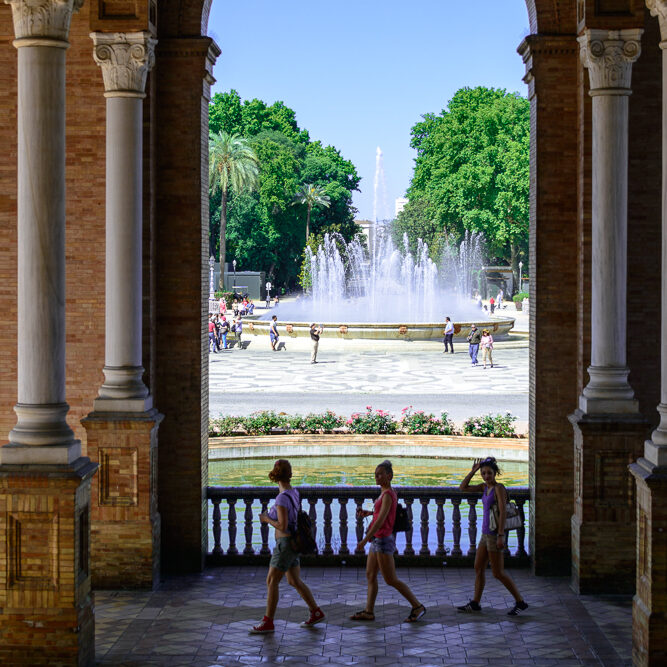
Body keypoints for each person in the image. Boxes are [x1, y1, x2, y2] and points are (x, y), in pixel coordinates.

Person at [250, 459, 325, 633]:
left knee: (271, 581)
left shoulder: (282, 498)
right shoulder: (294, 492)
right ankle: (316, 611)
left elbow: (282, 525)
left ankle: (268, 622)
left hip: (285, 544)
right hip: (294, 543)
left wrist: (266, 518)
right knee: (293, 580)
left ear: (275, 474)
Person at [350, 460, 426, 624]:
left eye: (380, 474)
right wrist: (369, 513)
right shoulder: (386, 492)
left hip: (383, 540)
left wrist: (363, 540)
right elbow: (381, 514)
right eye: (375, 474)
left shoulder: (387, 494)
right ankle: (369, 612)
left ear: (389, 476)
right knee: (370, 575)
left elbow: (381, 521)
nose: (376, 477)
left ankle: (417, 606)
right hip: (377, 539)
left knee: (391, 579)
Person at [457, 457, 528, 616]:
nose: (486, 476)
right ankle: (475, 603)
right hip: (485, 534)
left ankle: (520, 601)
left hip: (495, 534)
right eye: (483, 473)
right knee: (478, 567)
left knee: (498, 573)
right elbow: (463, 487)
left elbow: (503, 512)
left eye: (489, 473)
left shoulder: (499, 489)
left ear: (495, 473)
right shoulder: (484, 487)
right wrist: (473, 471)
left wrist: (502, 535)